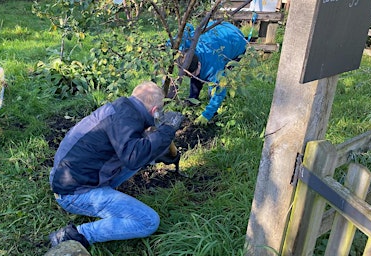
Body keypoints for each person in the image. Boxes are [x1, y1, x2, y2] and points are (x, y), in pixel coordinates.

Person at [48, 81, 184, 248]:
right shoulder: (126, 119)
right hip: (72, 193)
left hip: (68, 176)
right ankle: (75, 235)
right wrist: (167, 131)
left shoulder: (123, 109)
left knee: (138, 159)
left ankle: (106, 201)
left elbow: (135, 152)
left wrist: (157, 153)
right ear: (154, 111)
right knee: (148, 221)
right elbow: (133, 156)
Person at [171, 21, 247, 126]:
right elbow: (187, 26)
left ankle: (213, 110)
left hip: (236, 39)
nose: (190, 77)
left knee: (215, 83)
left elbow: (220, 89)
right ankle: (193, 100)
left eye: (192, 74)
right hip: (216, 30)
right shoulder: (184, 47)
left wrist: (207, 115)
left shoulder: (214, 66)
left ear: (199, 64)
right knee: (198, 77)